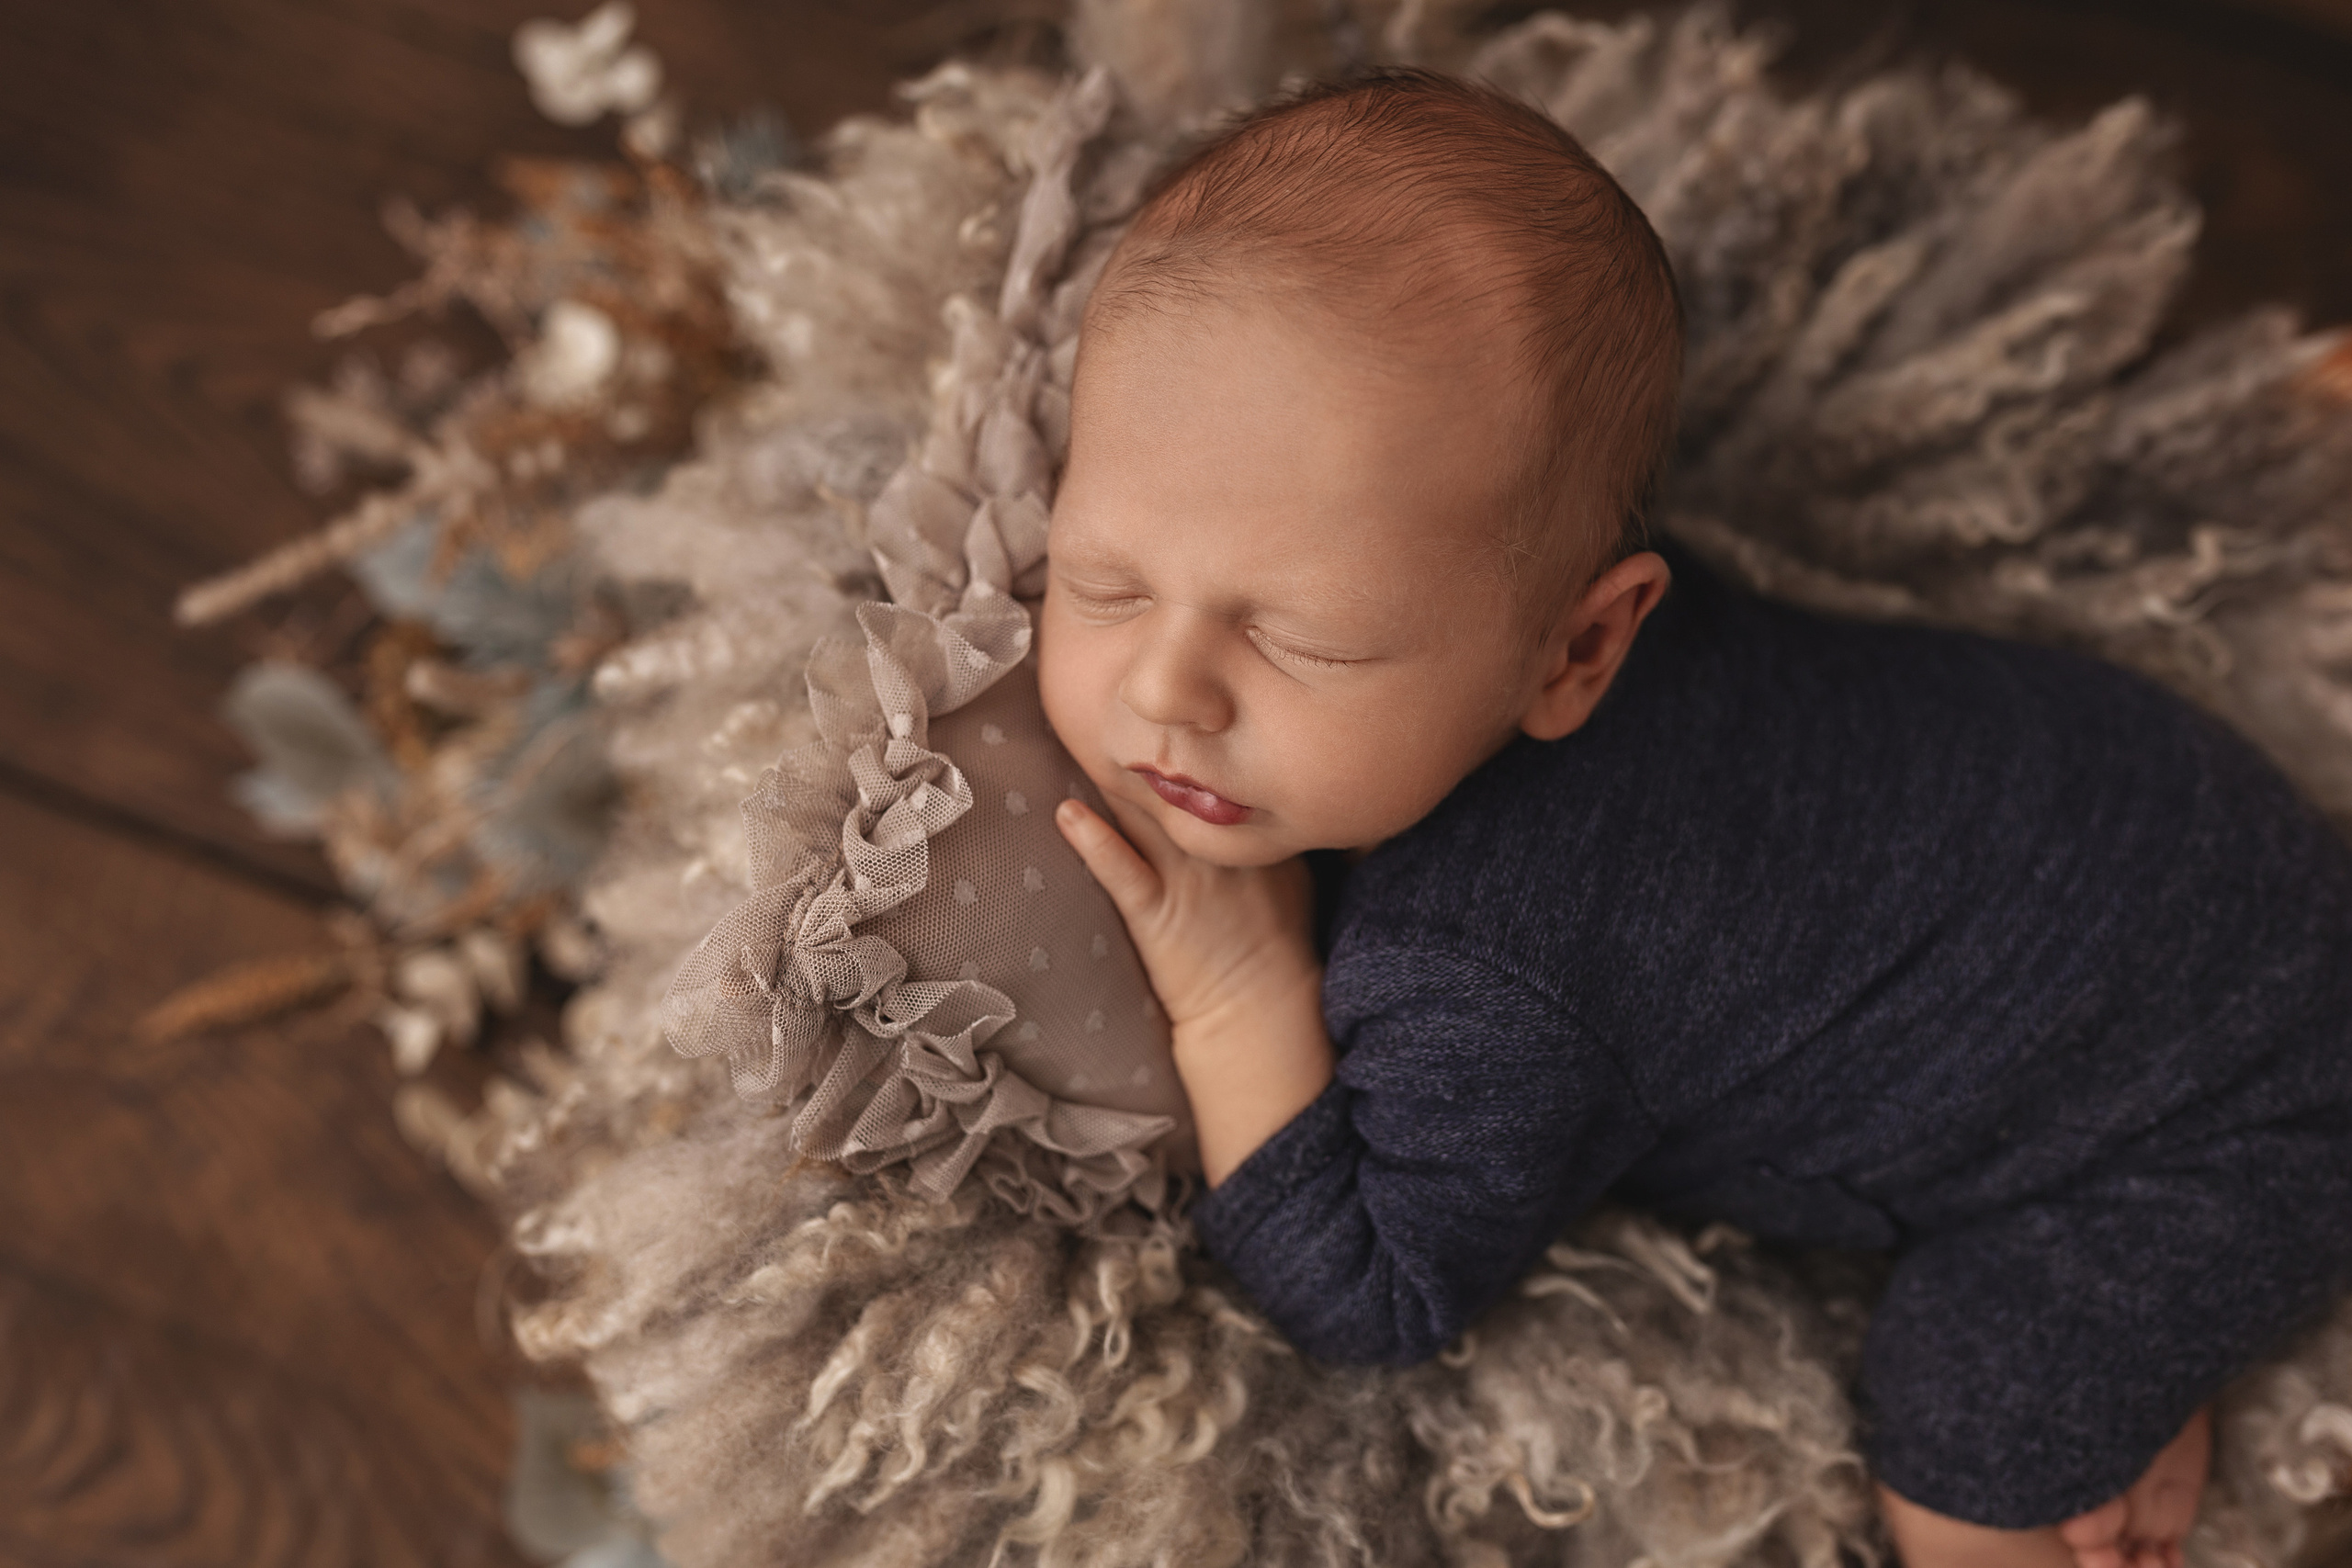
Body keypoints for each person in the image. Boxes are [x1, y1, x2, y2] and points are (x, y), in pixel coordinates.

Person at [1035, 66, 2352, 1568]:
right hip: (2174, 836)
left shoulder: (1493, 972)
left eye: (1308, 641)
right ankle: (2145, 1351)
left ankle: (2137, 1356)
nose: (1167, 689)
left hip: (2219, 1113)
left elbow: (1374, 1298)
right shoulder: (1518, 594)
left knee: (1963, 1448)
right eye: (1104, 580)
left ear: (1583, 647)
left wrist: (1233, 983)